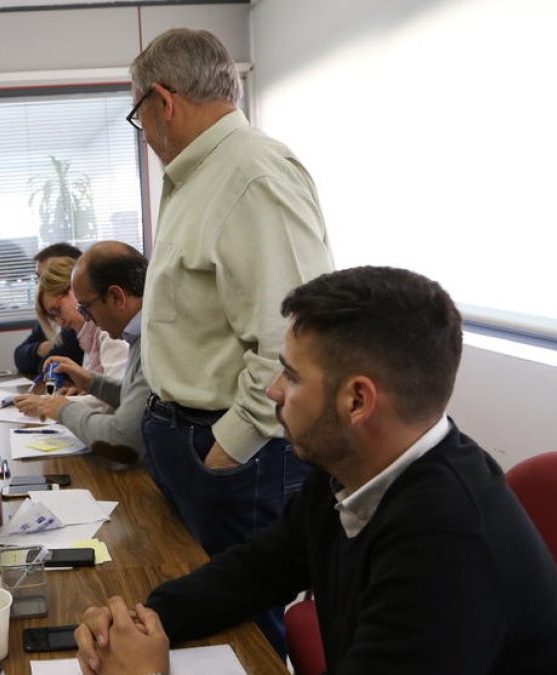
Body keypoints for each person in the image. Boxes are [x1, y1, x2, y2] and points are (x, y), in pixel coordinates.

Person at [74, 266, 557, 675]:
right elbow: (259, 569)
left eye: (292, 375)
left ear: (356, 401)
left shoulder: (448, 544)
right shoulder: (352, 468)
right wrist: (142, 617)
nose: (273, 390)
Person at [132, 29, 333, 611]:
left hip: (229, 450)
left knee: (245, 625)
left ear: (162, 102)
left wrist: (226, 451)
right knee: (202, 605)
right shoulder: (199, 175)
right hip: (188, 437)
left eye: (138, 114)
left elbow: (292, 341)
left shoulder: (252, 174)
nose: (143, 133)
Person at [14, 241, 149, 465]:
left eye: (86, 307)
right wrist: (92, 382)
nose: (86, 317)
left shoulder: (149, 339)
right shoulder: (138, 334)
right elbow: (136, 398)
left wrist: (63, 409)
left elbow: (123, 436)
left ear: (116, 297)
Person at [35, 256, 128, 380]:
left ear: (73, 288)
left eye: (57, 310)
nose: (60, 321)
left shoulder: (108, 331)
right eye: (53, 317)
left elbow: (117, 395)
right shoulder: (87, 335)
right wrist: (86, 389)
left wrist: (68, 400)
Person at [13, 243, 84, 377]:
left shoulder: (79, 319)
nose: (42, 284)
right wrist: (40, 348)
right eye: (39, 278)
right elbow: (19, 356)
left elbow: (46, 366)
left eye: (51, 276)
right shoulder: (53, 314)